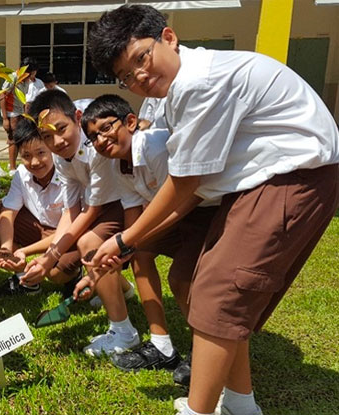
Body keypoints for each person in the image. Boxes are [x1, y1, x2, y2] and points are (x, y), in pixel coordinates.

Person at [85, 5, 339, 415]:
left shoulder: (197, 83)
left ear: (168, 38)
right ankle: (240, 404)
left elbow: (184, 186)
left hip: (294, 175)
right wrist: (128, 244)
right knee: (189, 278)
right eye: (127, 77)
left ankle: (198, 409)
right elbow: (191, 188)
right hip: (253, 183)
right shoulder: (177, 93)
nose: (140, 78)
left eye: (141, 59)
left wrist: (124, 239)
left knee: (219, 290)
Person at [81, 94, 220, 378]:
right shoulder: (118, 165)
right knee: (141, 257)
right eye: (93, 136)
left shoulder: (155, 146)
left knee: (181, 280)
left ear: (130, 122)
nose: (101, 140)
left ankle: (204, 352)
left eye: (106, 128)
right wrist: (127, 247)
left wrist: (125, 240)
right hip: (170, 216)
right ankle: (162, 345)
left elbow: (188, 196)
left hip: (206, 211)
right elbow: (134, 212)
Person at [21, 89, 141, 357]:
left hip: (125, 204)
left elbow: (91, 211)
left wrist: (50, 257)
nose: (57, 141)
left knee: (89, 242)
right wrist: (50, 256)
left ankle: (123, 331)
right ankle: (122, 290)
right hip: (103, 207)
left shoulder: (94, 147)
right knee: (66, 262)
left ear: (77, 118)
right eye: (47, 136)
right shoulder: (64, 159)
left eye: (61, 129)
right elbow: (71, 210)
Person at [0, 118, 82, 296]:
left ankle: (75, 274)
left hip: (68, 235)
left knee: (55, 274)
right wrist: (6, 248)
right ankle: (26, 278)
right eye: (26, 156)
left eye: (41, 153)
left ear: (51, 148)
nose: (34, 162)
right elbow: (8, 213)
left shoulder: (68, 174)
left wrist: (24, 251)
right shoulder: (23, 174)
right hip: (39, 228)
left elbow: (70, 225)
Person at [0, 57, 41, 173]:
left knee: (21, 137)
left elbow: (23, 97)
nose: (34, 76)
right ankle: (12, 167)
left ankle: (17, 164)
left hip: (20, 111)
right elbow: (2, 96)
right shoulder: (13, 77)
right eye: (33, 73)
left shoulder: (26, 80)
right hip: (10, 111)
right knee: (12, 138)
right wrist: (4, 118)